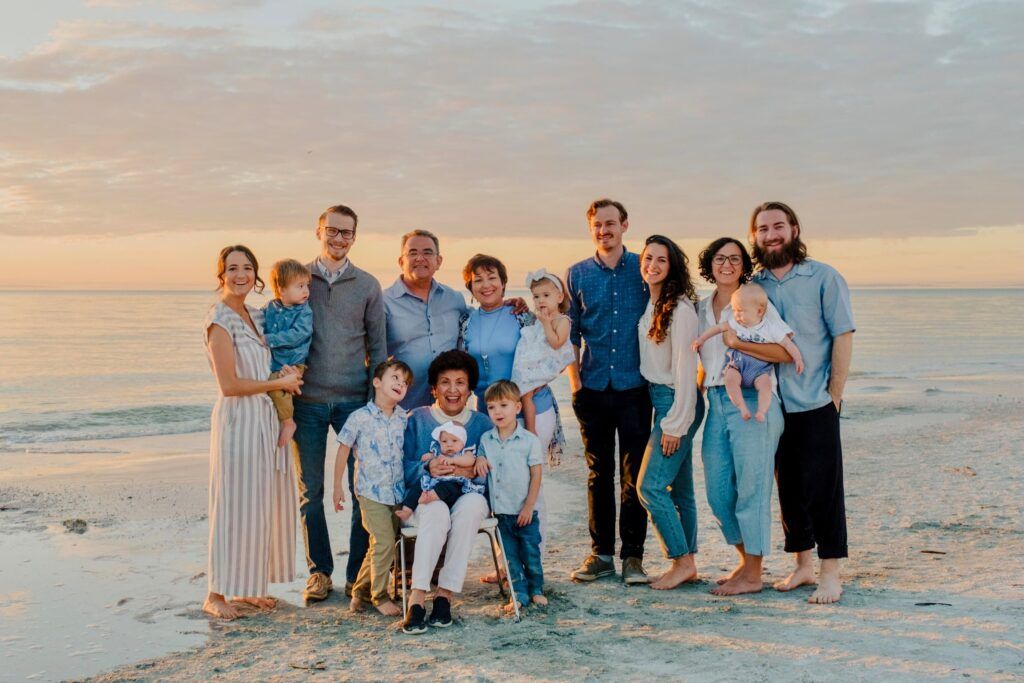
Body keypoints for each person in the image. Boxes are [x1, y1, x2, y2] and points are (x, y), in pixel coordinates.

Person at [748, 201, 855, 605]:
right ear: (754, 236)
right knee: (787, 486)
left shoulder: (823, 277)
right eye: (762, 229)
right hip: (772, 404)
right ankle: (803, 565)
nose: (771, 234)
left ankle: (830, 572)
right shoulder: (754, 284)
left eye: (778, 226)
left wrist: (835, 395)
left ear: (794, 229)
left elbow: (842, 335)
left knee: (824, 488)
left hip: (814, 400)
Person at [293, 204, 388, 604]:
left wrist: (376, 403)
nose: (338, 238)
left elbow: (378, 346)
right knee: (310, 491)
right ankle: (319, 573)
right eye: (332, 230)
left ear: (355, 237)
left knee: (360, 489)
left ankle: (355, 576)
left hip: (354, 403)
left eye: (346, 233)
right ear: (318, 232)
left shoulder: (367, 285)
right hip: (308, 402)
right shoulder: (298, 279)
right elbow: (276, 326)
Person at [201, 245, 301, 620]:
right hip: (237, 420)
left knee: (258, 505)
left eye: (247, 268)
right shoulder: (219, 320)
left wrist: (287, 377)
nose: (240, 274)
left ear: (256, 274)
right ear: (221, 275)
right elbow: (228, 384)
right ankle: (214, 592)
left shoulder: (256, 316)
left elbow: (265, 367)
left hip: (263, 419)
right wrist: (280, 385)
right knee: (231, 505)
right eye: (232, 268)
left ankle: (248, 588)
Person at [697, 237, 791, 596]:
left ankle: (753, 574)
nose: (727, 265)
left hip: (755, 399)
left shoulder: (756, 302)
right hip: (718, 401)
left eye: (735, 259)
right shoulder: (702, 307)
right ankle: (745, 559)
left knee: (753, 489)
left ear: (743, 266)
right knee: (718, 492)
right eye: (720, 259)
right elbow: (704, 360)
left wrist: (739, 345)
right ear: (710, 264)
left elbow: (783, 350)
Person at [566, 198, 652, 585]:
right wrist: (575, 384)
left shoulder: (644, 268)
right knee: (598, 474)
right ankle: (600, 554)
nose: (604, 230)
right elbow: (570, 333)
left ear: (625, 225)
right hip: (593, 388)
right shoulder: (578, 274)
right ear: (591, 229)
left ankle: (633, 556)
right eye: (597, 225)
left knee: (635, 475)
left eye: (611, 223)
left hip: (637, 387)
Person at [400, 350, 493, 634]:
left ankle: (444, 595)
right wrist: (426, 470)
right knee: (437, 512)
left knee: (474, 505)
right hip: (427, 497)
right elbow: (401, 467)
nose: (452, 390)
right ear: (433, 388)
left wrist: (469, 469)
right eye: (445, 382)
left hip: (467, 494)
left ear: (470, 388)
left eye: (460, 382)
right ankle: (417, 598)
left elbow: (491, 474)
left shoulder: (482, 424)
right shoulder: (416, 419)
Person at [634, 235, 705, 590]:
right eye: (648, 259)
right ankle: (688, 558)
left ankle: (681, 560)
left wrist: (676, 423)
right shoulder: (653, 304)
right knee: (681, 490)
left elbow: (684, 371)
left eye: (661, 260)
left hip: (676, 402)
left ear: (673, 266)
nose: (653, 265)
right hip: (661, 399)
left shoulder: (681, 309)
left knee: (649, 487)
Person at [331, 359, 412, 617]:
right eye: (395, 378)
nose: (400, 384)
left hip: (397, 493)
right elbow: (343, 449)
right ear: (377, 382)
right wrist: (337, 487)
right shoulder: (360, 417)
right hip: (371, 493)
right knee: (385, 543)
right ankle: (380, 596)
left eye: (405, 382)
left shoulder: (404, 418)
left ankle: (359, 593)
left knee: (380, 544)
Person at [479, 380, 546, 611]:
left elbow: (536, 475)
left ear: (517, 408)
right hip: (500, 513)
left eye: (503, 405)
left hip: (524, 511)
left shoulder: (529, 440)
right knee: (510, 558)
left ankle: (536, 589)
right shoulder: (486, 440)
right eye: (491, 407)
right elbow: (480, 460)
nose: (497, 411)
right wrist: (479, 459)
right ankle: (517, 594)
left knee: (530, 553)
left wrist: (529, 506)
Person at [693, 283, 804, 422]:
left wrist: (798, 359)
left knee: (765, 385)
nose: (736, 315)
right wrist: (701, 339)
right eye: (734, 310)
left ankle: (762, 411)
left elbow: (788, 344)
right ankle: (741, 407)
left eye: (740, 310)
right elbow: (718, 328)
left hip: (760, 369)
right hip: (736, 364)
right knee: (730, 379)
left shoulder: (770, 327)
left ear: (759, 311)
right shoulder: (736, 323)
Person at [384, 230, 468, 409]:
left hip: (449, 409)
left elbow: (482, 317)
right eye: (412, 253)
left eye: (427, 252)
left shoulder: (455, 299)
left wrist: (511, 304)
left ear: (438, 261)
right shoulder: (383, 302)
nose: (420, 258)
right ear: (401, 262)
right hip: (402, 409)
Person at [510, 269, 574, 435]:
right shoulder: (538, 317)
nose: (540, 300)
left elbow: (556, 343)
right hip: (533, 362)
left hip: (548, 362)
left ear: (559, 297)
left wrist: (546, 323)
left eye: (546, 295)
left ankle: (531, 430)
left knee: (526, 393)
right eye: (536, 297)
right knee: (522, 391)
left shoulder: (563, 320)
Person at [262, 258, 313, 447]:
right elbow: (257, 321)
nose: (306, 291)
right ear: (282, 289)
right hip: (275, 361)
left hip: (294, 362)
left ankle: (288, 422)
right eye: (300, 286)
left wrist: (269, 339)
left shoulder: (304, 311)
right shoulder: (270, 307)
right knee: (267, 388)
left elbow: (299, 334)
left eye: (307, 285)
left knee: (275, 386)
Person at [396, 421, 488, 520]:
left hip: (454, 483)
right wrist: (428, 458)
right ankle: (407, 510)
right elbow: (429, 458)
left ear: (463, 442)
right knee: (418, 486)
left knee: (448, 487)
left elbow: (470, 461)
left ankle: (431, 497)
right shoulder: (438, 452)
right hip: (435, 481)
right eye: (444, 441)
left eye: (454, 441)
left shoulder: (465, 452)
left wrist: (453, 460)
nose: (449, 444)